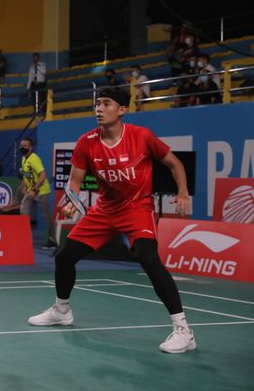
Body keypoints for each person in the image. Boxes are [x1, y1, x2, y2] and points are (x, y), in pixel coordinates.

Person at [28, 87, 196, 354]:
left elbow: (175, 163)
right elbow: (74, 181)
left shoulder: (141, 137)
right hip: (105, 209)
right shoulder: (87, 142)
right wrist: (71, 201)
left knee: (148, 257)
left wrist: (183, 192)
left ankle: (184, 331)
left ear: (121, 110)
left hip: (137, 207)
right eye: (97, 104)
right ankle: (61, 311)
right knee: (64, 256)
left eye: (106, 104)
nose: (99, 108)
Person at [18, 138, 54, 248]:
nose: (22, 147)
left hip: (42, 191)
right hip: (31, 191)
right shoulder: (24, 159)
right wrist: (25, 187)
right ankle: (24, 238)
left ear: (31, 147)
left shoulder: (34, 159)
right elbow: (27, 175)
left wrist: (34, 189)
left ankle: (53, 240)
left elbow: (43, 175)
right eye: (21, 145)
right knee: (23, 210)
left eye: (25, 145)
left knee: (46, 216)